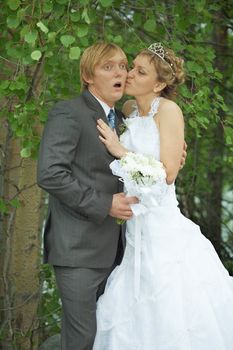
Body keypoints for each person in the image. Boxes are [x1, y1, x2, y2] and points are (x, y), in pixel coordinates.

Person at [93, 43, 233, 350]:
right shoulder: (127, 110)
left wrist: (121, 150)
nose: (129, 74)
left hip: (162, 225)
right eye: (132, 67)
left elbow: (168, 173)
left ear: (158, 84)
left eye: (140, 72)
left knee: (168, 297)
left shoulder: (169, 111)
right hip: (133, 225)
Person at [37, 42, 139, 350]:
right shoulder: (68, 112)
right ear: (88, 75)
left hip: (119, 253)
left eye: (123, 65)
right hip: (77, 251)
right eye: (108, 67)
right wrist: (104, 204)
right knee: (82, 341)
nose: (119, 72)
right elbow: (50, 174)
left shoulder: (123, 121)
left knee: (110, 339)